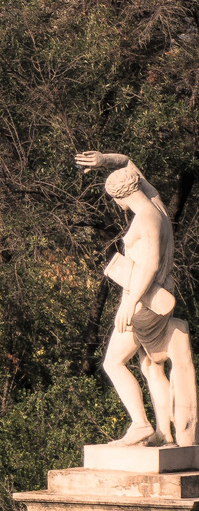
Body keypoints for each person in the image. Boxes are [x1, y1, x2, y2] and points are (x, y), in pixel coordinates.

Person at [76, 151, 197, 446]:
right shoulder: (156, 206)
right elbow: (130, 164)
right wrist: (105, 159)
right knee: (149, 366)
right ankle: (164, 434)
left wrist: (129, 303)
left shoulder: (146, 219)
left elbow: (151, 264)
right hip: (153, 299)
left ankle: (140, 425)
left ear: (118, 198)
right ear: (137, 186)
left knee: (113, 363)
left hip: (143, 302)